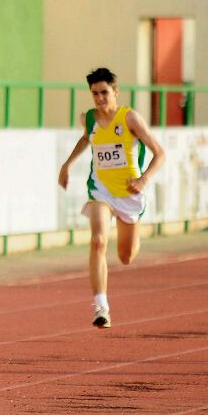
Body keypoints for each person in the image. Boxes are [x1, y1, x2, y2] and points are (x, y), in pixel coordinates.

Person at [58, 67, 165, 329]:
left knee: (126, 257)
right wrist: (67, 165)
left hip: (129, 194)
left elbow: (159, 153)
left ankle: (131, 235)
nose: (99, 98)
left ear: (115, 92)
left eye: (104, 92)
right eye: (94, 93)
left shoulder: (130, 119)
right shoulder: (90, 119)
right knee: (97, 241)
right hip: (101, 191)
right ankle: (101, 307)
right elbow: (86, 139)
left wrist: (143, 180)